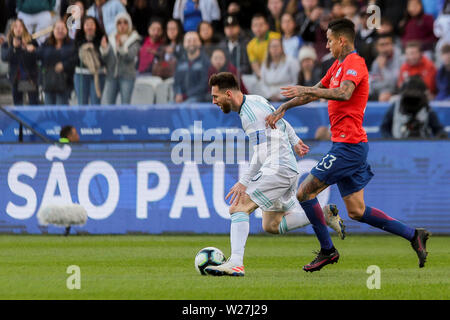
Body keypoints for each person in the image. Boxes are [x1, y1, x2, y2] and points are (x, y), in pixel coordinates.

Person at [266, 18, 430, 272]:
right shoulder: (336, 66)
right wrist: (284, 107)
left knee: (304, 192)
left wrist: (309, 90)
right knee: (356, 211)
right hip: (349, 145)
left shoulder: (355, 63)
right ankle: (413, 234)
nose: (327, 45)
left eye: (330, 41)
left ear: (342, 40)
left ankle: (327, 251)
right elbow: (313, 92)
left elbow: (344, 93)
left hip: (348, 147)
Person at [205, 72, 345, 276]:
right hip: (286, 167)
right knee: (272, 224)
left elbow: (260, 153)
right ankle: (324, 215)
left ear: (228, 94)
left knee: (238, 207)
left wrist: (244, 182)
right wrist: (295, 140)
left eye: (216, 97)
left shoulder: (248, 116)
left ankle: (235, 263)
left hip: (277, 169)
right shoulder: (256, 99)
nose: (213, 101)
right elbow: (281, 120)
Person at [380, 75, 447, 139]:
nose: (412, 100)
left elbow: (438, 128)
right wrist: (389, 140)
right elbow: (384, 127)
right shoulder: (395, 107)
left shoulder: (427, 109)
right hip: (398, 144)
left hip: (422, 144)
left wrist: (441, 136)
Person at [100, 12, 141, 105]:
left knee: (125, 105)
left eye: (125, 22)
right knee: (109, 105)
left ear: (129, 24)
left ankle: (125, 120)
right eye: (119, 23)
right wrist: (104, 49)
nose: (122, 25)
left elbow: (130, 57)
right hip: (111, 76)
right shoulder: (111, 38)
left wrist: (122, 47)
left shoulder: (135, 39)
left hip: (127, 77)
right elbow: (106, 60)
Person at [37, 20, 77, 105]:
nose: (60, 30)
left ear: (67, 30)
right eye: (57, 28)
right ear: (53, 30)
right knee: (49, 110)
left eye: (62, 28)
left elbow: (75, 59)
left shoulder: (72, 44)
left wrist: (64, 65)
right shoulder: (46, 43)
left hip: (65, 82)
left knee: (61, 111)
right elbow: (38, 55)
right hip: (48, 82)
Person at [1, 19, 39, 105]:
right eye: (15, 26)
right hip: (16, 78)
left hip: (30, 78)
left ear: (24, 28)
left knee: (33, 104)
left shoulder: (31, 41)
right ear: (12, 29)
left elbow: (38, 56)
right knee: (18, 105)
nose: (18, 29)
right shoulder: (7, 44)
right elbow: (4, 57)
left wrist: (31, 49)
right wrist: (13, 47)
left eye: (21, 26)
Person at [74, 16, 106, 105]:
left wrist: (103, 48)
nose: (89, 27)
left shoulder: (101, 40)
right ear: (83, 27)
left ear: (96, 26)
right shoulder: (78, 40)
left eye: (92, 24)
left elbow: (105, 60)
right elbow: (74, 59)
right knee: (82, 104)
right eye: (87, 24)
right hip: (81, 75)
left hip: (98, 75)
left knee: (96, 103)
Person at [173, 31, 210, 103]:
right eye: (188, 41)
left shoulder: (206, 61)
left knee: (186, 105)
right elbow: (176, 82)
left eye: (194, 40)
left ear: (200, 43)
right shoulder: (180, 61)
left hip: (200, 98)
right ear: (184, 44)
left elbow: (204, 84)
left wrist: (186, 95)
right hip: (181, 98)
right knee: (168, 107)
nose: (191, 43)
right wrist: (178, 93)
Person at [369, 33, 402, 101]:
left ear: (392, 45)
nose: (385, 48)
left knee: (384, 97)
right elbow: (373, 84)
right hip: (382, 90)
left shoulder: (400, 58)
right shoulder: (376, 62)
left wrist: (383, 68)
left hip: (398, 91)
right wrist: (384, 85)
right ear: (377, 47)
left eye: (387, 44)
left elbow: (394, 83)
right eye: (381, 45)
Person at [246, 14, 281, 79]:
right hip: (264, 76)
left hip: (280, 71)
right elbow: (255, 65)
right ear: (252, 28)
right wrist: (263, 77)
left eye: (261, 25)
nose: (258, 28)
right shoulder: (250, 45)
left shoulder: (277, 37)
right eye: (255, 25)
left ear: (267, 26)